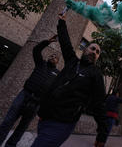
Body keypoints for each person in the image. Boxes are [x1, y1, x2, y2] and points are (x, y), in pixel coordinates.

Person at [31, 11, 108, 147]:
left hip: (61, 124)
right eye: (92, 49)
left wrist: (103, 132)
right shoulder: (72, 61)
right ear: (84, 50)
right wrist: (62, 22)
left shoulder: (96, 74)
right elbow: (65, 41)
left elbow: (99, 103)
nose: (94, 52)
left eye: (97, 52)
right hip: (43, 118)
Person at [0, 35, 60, 147]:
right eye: (51, 56)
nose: (52, 57)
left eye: (55, 57)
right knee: (7, 122)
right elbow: (36, 50)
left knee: (22, 128)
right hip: (24, 95)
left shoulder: (57, 74)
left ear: (57, 62)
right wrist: (47, 41)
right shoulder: (41, 63)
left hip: (37, 103)